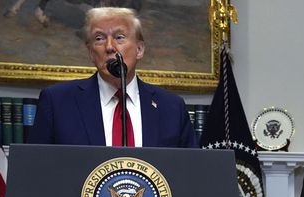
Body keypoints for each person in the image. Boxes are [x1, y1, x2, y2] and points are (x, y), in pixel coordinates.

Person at [29, 7, 196, 148]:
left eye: (119, 37)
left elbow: (190, 174)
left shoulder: (172, 108)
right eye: (99, 38)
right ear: (90, 53)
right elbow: (36, 171)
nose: (109, 47)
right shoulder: (57, 102)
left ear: (139, 49)